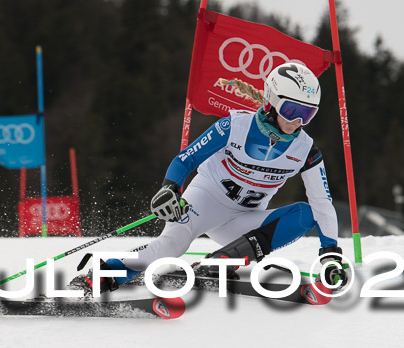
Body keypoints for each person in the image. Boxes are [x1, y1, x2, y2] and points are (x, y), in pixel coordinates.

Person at [71, 62, 346, 295]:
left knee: (305, 214)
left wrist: (330, 253)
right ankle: (102, 273)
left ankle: (219, 263)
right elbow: (185, 159)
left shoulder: (305, 149)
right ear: (272, 101)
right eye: (292, 111)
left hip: (243, 220)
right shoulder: (235, 126)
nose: (297, 121)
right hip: (204, 201)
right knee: (171, 246)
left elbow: (322, 203)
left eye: (307, 113)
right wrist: (170, 189)